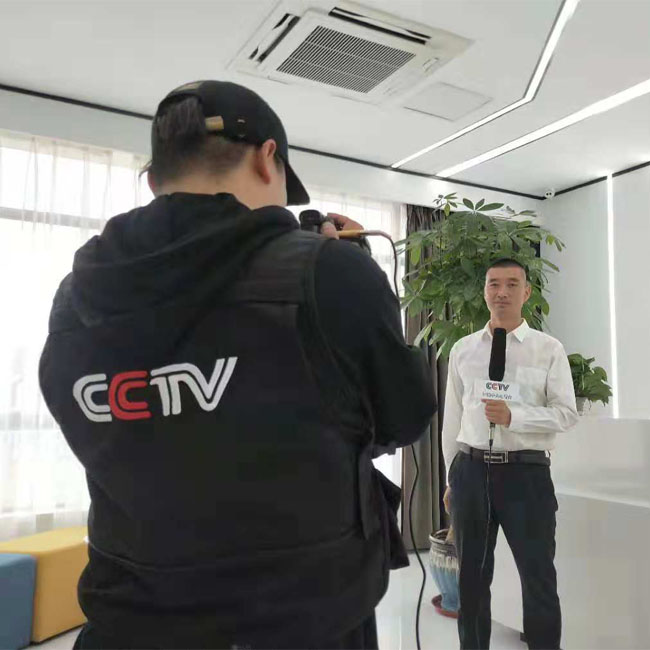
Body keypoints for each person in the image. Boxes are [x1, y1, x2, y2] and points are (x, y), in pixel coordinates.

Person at [39, 80, 436, 649]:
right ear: (267, 158)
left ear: (154, 180)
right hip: (301, 620)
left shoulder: (75, 297)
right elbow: (403, 418)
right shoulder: (328, 273)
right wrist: (349, 277)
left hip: (130, 619)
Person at [442, 258, 578, 650]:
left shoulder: (548, 350)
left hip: (526, 475)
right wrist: (451, 478)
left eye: (512, 284)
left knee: (538, 579)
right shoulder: (463, 350)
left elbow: (566, 413)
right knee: (471, 581)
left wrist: (514, 416)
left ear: (527, 292)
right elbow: (452, 420)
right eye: (494, 284)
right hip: (470, 472)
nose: (502, 292)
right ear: (484, 291)